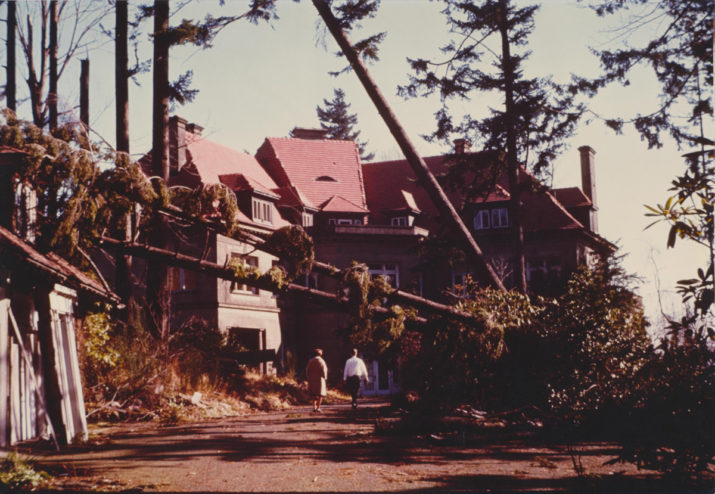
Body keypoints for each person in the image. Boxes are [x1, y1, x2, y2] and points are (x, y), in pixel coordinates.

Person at [305, 348, 328, 412]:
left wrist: (308, 377)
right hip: (320, 379)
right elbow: (324, 370)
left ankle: (314, 407)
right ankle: (318, 407)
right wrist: (325, 377)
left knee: (313, 394)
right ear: (320, 354)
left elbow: (307, 370)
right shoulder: (322, 361)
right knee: (320, 394)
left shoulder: (311, 361)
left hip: (312, 379)